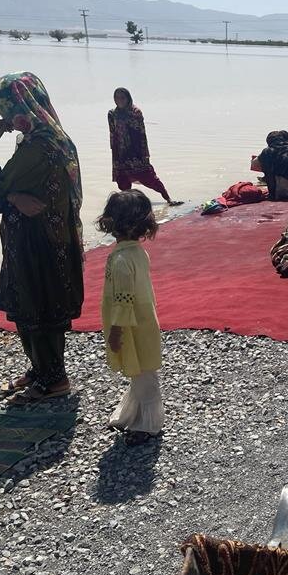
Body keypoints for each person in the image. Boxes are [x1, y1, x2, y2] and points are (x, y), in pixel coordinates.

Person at [0, 72, 84, 405]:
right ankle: (40, 370)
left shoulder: (38, 145)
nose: (6, 116)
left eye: (8, 107)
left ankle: (54, 379)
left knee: (37, 308)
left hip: (38, 242)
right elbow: (9, 193)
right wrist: (14, 198)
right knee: (32, 307)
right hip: (47, 238)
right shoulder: (53, 137)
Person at [97, 190, 164, 446]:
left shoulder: (122, 259)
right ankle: (133, 414)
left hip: (131, 325)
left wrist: (115, 332)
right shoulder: (136, 251)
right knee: (139, 370)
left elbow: (124, 301)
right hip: (144, 318)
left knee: (144, 373)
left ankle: (149, 424)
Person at [108, 88, 181, 206]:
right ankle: (130, 205)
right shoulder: (112, 114)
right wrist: (115, 154)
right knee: (123, 181)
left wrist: (144, 154)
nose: (119, 100)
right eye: (116, 97)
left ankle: (168, 199)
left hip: (136, 152)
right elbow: (112, 134)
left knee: (150, 177)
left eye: (122, 97)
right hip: (121, 153)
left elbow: (142, 134)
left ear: (128, 98)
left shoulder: (136, 112)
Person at [257, 131, 288, 200]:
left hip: (282, 193)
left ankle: (273, 193)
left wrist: (260, 158)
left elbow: (254, 165)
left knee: (265, 162)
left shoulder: (267, 151)